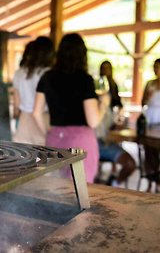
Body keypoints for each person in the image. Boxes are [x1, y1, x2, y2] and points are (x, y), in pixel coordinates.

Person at [33, 33, 109, 183]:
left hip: (55, 139)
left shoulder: (47, 77)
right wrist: (104, 103)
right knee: (80, 190)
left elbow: (36, 112)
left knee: (56, 190)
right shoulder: (85, 80)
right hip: (80, 142)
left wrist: (48, 132)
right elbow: (93, 121)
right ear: (83, 55)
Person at [12, 37, 54, 145]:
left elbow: (16, 104)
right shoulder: (50, 74)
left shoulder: (19, 73)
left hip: (24, 121)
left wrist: (16, 115)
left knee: (24, 158)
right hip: (44, 119)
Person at [141, 58, 160, 191]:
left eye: (157, 67)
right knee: (149, 149)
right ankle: (150, 178)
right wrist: (148, 98)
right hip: (150, 116)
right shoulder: (149, 83)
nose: (155, 69)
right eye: (154, 66)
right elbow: (143, 102)